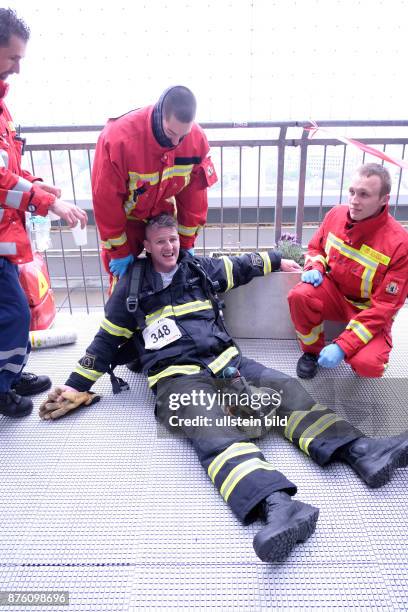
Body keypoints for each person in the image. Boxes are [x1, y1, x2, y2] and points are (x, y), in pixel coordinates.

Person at [39, 214, 408, 563]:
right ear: (147, 246)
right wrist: (76, 386)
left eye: (173, 240)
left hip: (226, 361)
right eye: (160, 242)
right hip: (175, 376)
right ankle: (278, 506)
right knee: (211, 430)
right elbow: (105, 341)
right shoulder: (131, 288)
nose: (169, 247)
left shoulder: (198, 268)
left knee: (285, 389)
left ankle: (361, 450)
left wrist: (283, 259)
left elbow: (243, 264)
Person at [0, 9, 88, 418]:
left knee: (13, 309)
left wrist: (37, 184)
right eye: (13, 58)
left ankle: (10, 373)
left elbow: (9, 170)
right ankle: (2, 386)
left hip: (5, 233)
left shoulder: (1, 107)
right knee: (14, 310)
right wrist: (47, 202)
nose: (18, 69)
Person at [288, 163, 408, 379]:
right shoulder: (335, 215)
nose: (354, 200)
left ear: (384, 199)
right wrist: (314, 267)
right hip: (335, 294)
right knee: (300, 295)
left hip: (369, 310)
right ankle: (311, 353)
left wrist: (343, 346)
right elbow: (316, 248)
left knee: (369, 366)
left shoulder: (399, 244)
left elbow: (385, 307)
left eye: (364, 194)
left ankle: (371, 355)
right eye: (352, 192)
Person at [92, 85, 217, 283]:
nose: (176, 142)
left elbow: (194, 199)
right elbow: (105, 202)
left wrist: (185, 243)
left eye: (182, 135)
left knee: (174, 282)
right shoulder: (117, 140)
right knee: (123, 286)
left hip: (164, 219)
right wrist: (119, 251)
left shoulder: (196, 140)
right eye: (170, 133)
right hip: (127, 222)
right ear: (160, 115)